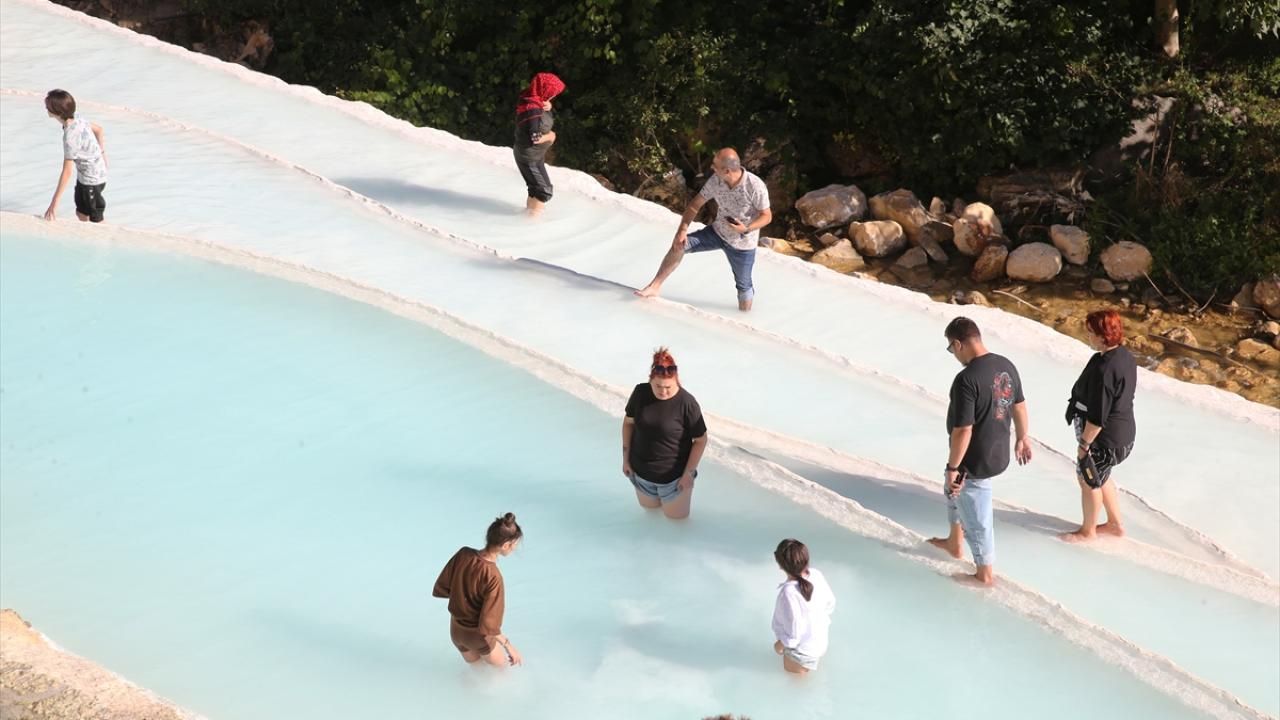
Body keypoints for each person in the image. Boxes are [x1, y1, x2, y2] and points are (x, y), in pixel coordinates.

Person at [928, 317, 1033, 586]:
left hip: (974, 460)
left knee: (976, 512)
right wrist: (1022, 438)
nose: (953, 355)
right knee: (951, 489)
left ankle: (984, 574)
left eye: (951, 350)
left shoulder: (966, 379)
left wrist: (954, 468)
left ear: (958, 344)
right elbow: (1019, 406)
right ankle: (954, 541)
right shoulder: (1005, 365)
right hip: (999, 451)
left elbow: (964, 430)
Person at [634, 148, 772, 311]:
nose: (711, 168)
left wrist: (746, 228)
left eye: (715, 165)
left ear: (727, 170)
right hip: (716, 232)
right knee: (679, 245)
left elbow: (767, 215)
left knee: (744, 286)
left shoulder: (755, 186)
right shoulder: (716, 180)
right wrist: (682, 230)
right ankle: (654, 287)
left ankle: (744, 318)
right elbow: (695, 205)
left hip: (742, 244)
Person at [1061, 310, 1137, 543]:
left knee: (1088, 479)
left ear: (1104, 336)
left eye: (1091, 333)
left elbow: (1098, 415)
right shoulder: (1124, 356)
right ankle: (1115, 524)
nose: (1088, 336)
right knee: (1101, 476)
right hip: (1122, 435)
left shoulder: (1106, 370)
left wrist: (1084, 445)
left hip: (1104, 440)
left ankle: (1088, 531)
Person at [621, 347, 708, 520]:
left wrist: (688, 474)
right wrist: (625, 460)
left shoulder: (687, 403)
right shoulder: (640, 392)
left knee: (677, 523)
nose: (663, 391)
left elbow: (701, 440)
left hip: (674, 481)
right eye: (658, 386)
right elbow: (628, 424)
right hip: (640, 474)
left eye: (668, 387)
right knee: (650, 516)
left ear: (676, 381)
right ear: (650, 380)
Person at [432, 513, 524, 667]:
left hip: (456, 631)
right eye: (515, 544)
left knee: (478, 674)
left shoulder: (463, 554)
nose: (515, 547)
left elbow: (444, 586)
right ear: (506, 544)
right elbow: (489, 625)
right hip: (477, 637)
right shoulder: (494, 577)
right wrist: (509, 646)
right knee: (501, 676)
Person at [771, 539, 836, 674]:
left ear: (780, 565)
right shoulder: (816, 574)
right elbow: (830, 603)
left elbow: (794, 634)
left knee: (796, 686)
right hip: (818, 641)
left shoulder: (789, 593)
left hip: (801, 652)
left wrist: (778, 646)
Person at [42, 89, 108, 223]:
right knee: (81, 213)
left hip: (92, 180)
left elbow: (67, 172)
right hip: (87, 176)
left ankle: (109, 241)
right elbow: (99, 130)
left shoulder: (70, 137)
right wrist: (102, 154)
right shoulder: (77, 118)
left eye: (48, 106)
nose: (46, 108)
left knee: (97, 220)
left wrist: (54, 204)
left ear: (56, 112)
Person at [513, 72, 565, 216]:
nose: (554, 96)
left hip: (531, 155)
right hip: (529, 157)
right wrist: (551, 136)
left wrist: (548, 104)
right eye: (553, 93)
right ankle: (531, 225)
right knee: (543, 190)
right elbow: (535, 138)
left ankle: (527, 218)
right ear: (546, 91)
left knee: (535, 188)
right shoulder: (533, 109)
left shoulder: (531, 98)